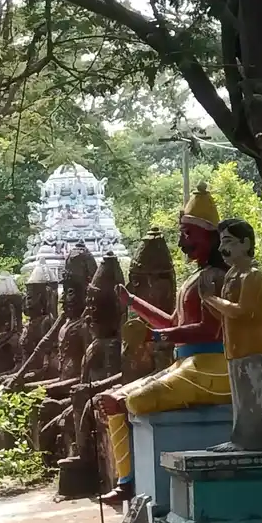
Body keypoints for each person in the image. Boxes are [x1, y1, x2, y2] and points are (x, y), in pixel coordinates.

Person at [94, 182, 231, 505]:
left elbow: (208, 331)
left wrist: (155, 336)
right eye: (182, 234)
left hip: (212, 368)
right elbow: (174, 323)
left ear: (210, 236)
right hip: (186, 364)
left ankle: (142, 487)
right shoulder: (195, 279)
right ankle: (127, 481)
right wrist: (133, 302)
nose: (183, 242)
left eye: (188, 234)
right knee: (111, 398)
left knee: (133, 402)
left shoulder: (217, 278)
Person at [199, 218, 262, 452]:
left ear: (246, 243)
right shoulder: (232, 275)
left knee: (254, 398)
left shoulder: (253, 275)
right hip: (235, 348)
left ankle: (255, 440)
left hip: (254, 347)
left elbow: (243, 312)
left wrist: (212, 299)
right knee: (241, 400)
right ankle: (240, 439)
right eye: (222, 242)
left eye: (230, 242)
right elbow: (225, 315)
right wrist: (208, 299)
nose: (224, 249)